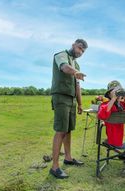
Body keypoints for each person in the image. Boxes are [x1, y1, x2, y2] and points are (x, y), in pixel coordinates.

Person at [50, 39, 88, 179]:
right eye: (80, 48)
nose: (80, 52)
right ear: (73, 45)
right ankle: (54, 167)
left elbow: (78, 85)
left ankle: (68, 158)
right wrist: (76, 72)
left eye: (83, 51)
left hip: (72, 99)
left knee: (69, 130)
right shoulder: (61, 55)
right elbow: (64, 67)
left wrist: (80, 103)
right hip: (61, 97)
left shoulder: (76, 63)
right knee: (60, 130)